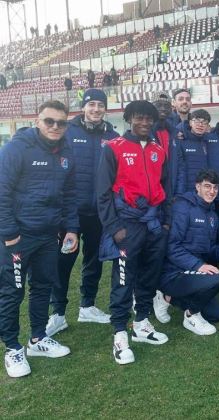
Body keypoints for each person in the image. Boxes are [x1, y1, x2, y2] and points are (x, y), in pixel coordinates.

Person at [0, 101, 78, 378]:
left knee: (43, 286)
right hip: (18, 237)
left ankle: (37, 339)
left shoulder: (66, 150)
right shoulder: (16, 149)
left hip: (49, 235)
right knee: (12, 292)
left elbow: (70, 194)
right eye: (50, 121)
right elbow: (2, 193)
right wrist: (9, 235)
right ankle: (12, 347)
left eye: (61, 122)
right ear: (37, 121)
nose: (56, 127)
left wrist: (71, 228)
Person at [97, 100, 171, 365]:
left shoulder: (157, 149)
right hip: (127, 224)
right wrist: (114, 227)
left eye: (148, 119)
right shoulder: (113, 148)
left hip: (153, 224)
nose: (144, 123)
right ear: (129, 119)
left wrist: (165, 222)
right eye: (139, 118)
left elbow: (165, 186)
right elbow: (103, 193)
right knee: (123, 279)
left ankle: (141, 322)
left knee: (149, 276)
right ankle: (119, 333)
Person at [47, 90, 119, 337]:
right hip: (70, 212)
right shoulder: (68, 130)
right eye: (92, 104)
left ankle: (87, 305)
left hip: (99, 212)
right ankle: (57, 313)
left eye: (100, 104)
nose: (96, 109)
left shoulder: (112, 135)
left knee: (93, 260)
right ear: (84, 107)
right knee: (64, 260)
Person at [155, 169, 219, 335]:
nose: (212, 191)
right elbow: (172, 246)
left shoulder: (212, 214)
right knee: (215, 280)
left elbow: (210, 247)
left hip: (193, 271)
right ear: (197, 187)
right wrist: (198, 265)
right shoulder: (183, 208)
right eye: (207, 186)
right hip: (173, 272)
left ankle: (166, 298)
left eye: (215, 188)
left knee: (215, 314)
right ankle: (190, 316)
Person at [175, 109, 212, 195]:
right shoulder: (181, 140)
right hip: (186, 191)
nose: (200, 125)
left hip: (204, 191)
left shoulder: (208, 141)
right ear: (190, 123)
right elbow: (179, 170)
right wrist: (179, 193)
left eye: (204, 122)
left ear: (207, 126)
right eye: (197, 121)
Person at [152, 97, 179, 195]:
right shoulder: (145, 134)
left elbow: (180, 165)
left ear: (171, 109)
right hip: (152, 192)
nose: (163, 108)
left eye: (166, 106)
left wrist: (179, 193)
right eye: (159, 105)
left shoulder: (175, 134)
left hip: (171, 190)